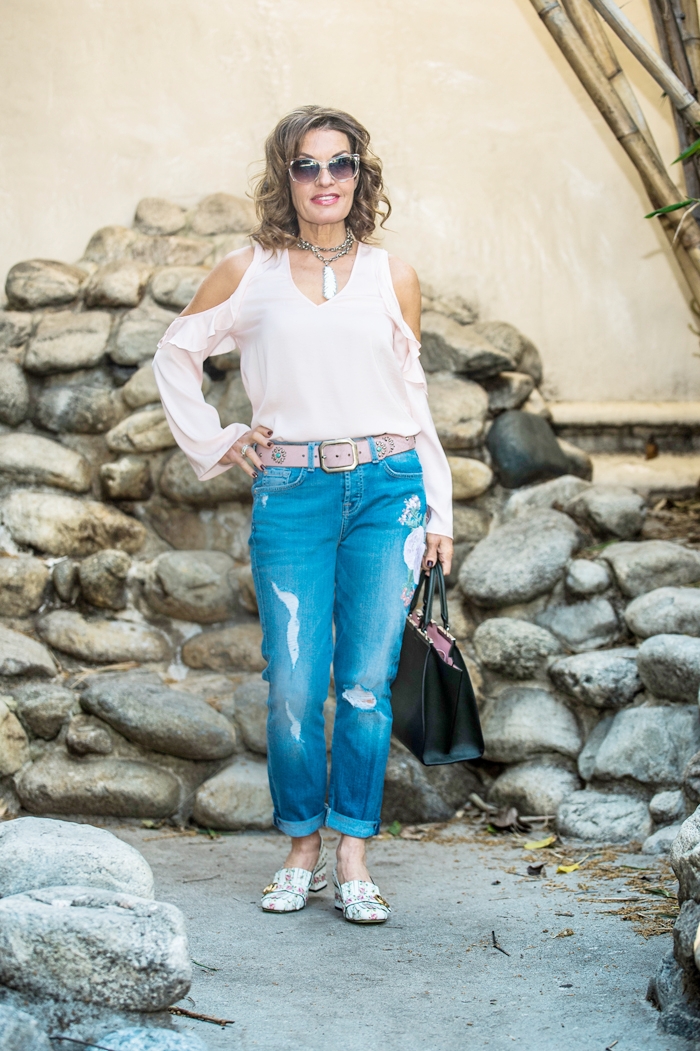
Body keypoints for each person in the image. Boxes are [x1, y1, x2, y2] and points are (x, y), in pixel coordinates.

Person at [153, 105, 453, 925]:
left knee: (363, 685)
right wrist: (217, 441)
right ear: (284, 177)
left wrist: (441, 512)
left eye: (341, 163)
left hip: (389, 490)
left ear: (362, 174)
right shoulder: (246, 269)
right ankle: (301, 846)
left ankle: (353, 851)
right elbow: (175, 353)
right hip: (291, 494)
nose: (326, 180)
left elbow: (413, 401)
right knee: (291, 684)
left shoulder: (395, 275)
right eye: (307, 166)